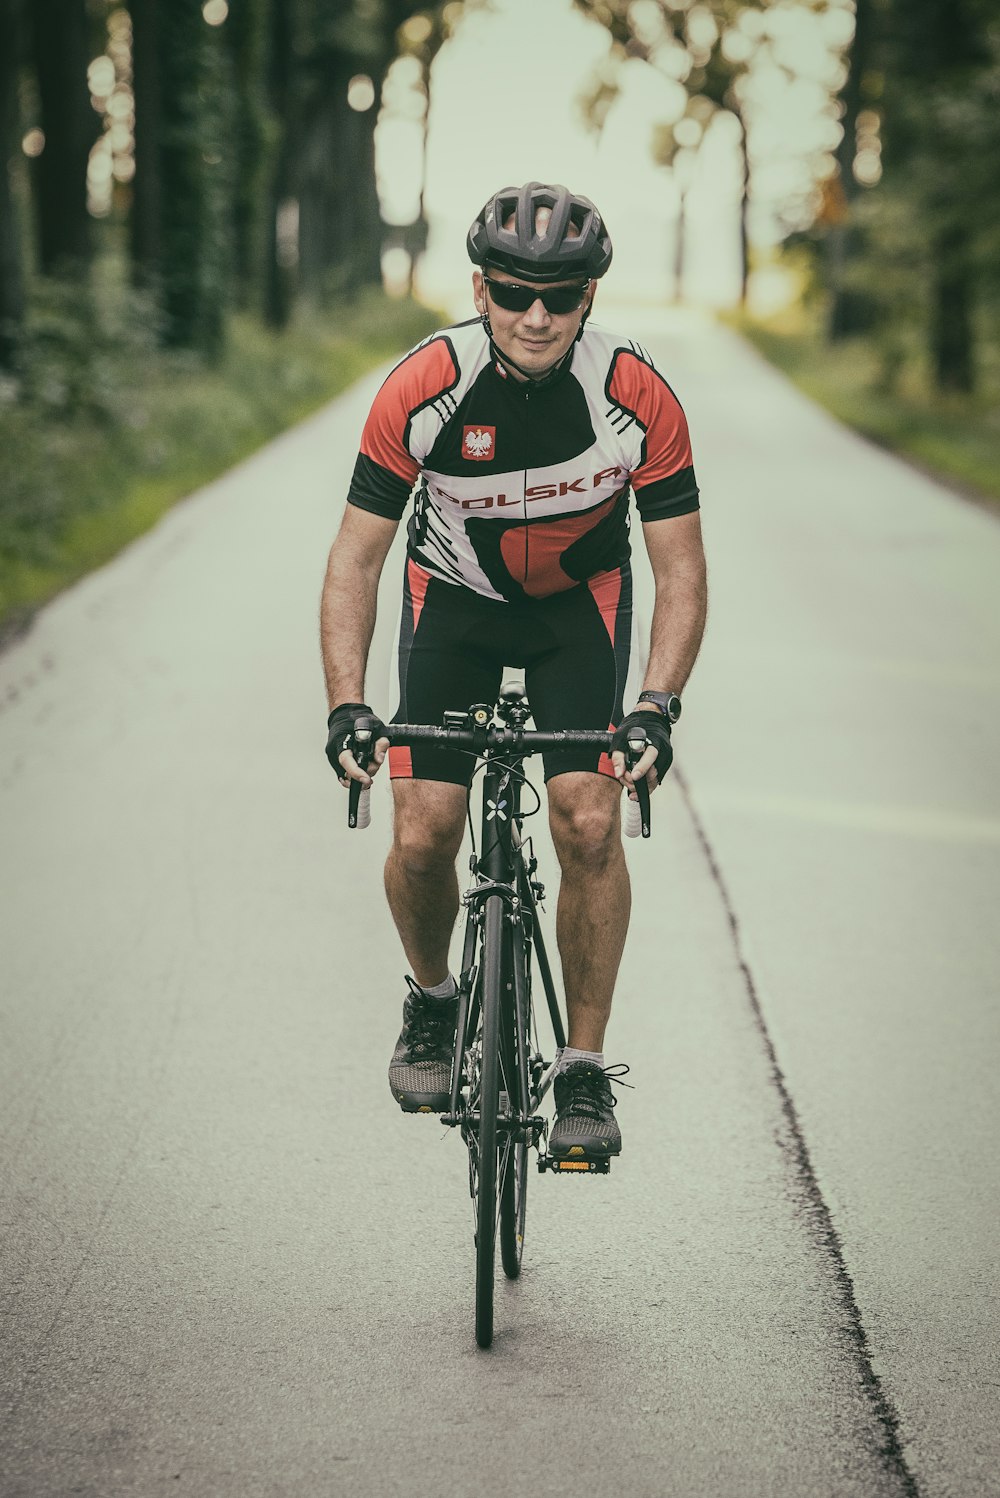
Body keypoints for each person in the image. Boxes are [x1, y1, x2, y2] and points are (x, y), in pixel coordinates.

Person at [321, 182, 707, 1160]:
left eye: (561, 295)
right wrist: (348, 706)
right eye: (513, 291)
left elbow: (679, 571)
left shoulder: (634, 394)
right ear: (481, 288)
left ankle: (579, 1071)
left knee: (586, 816)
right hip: (450, 605)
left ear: (587, 297)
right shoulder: (423, 385)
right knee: (424, 830)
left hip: (579, 611)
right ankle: (435, 1001)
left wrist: (655, 707)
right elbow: (355, 560)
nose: (536, 315)